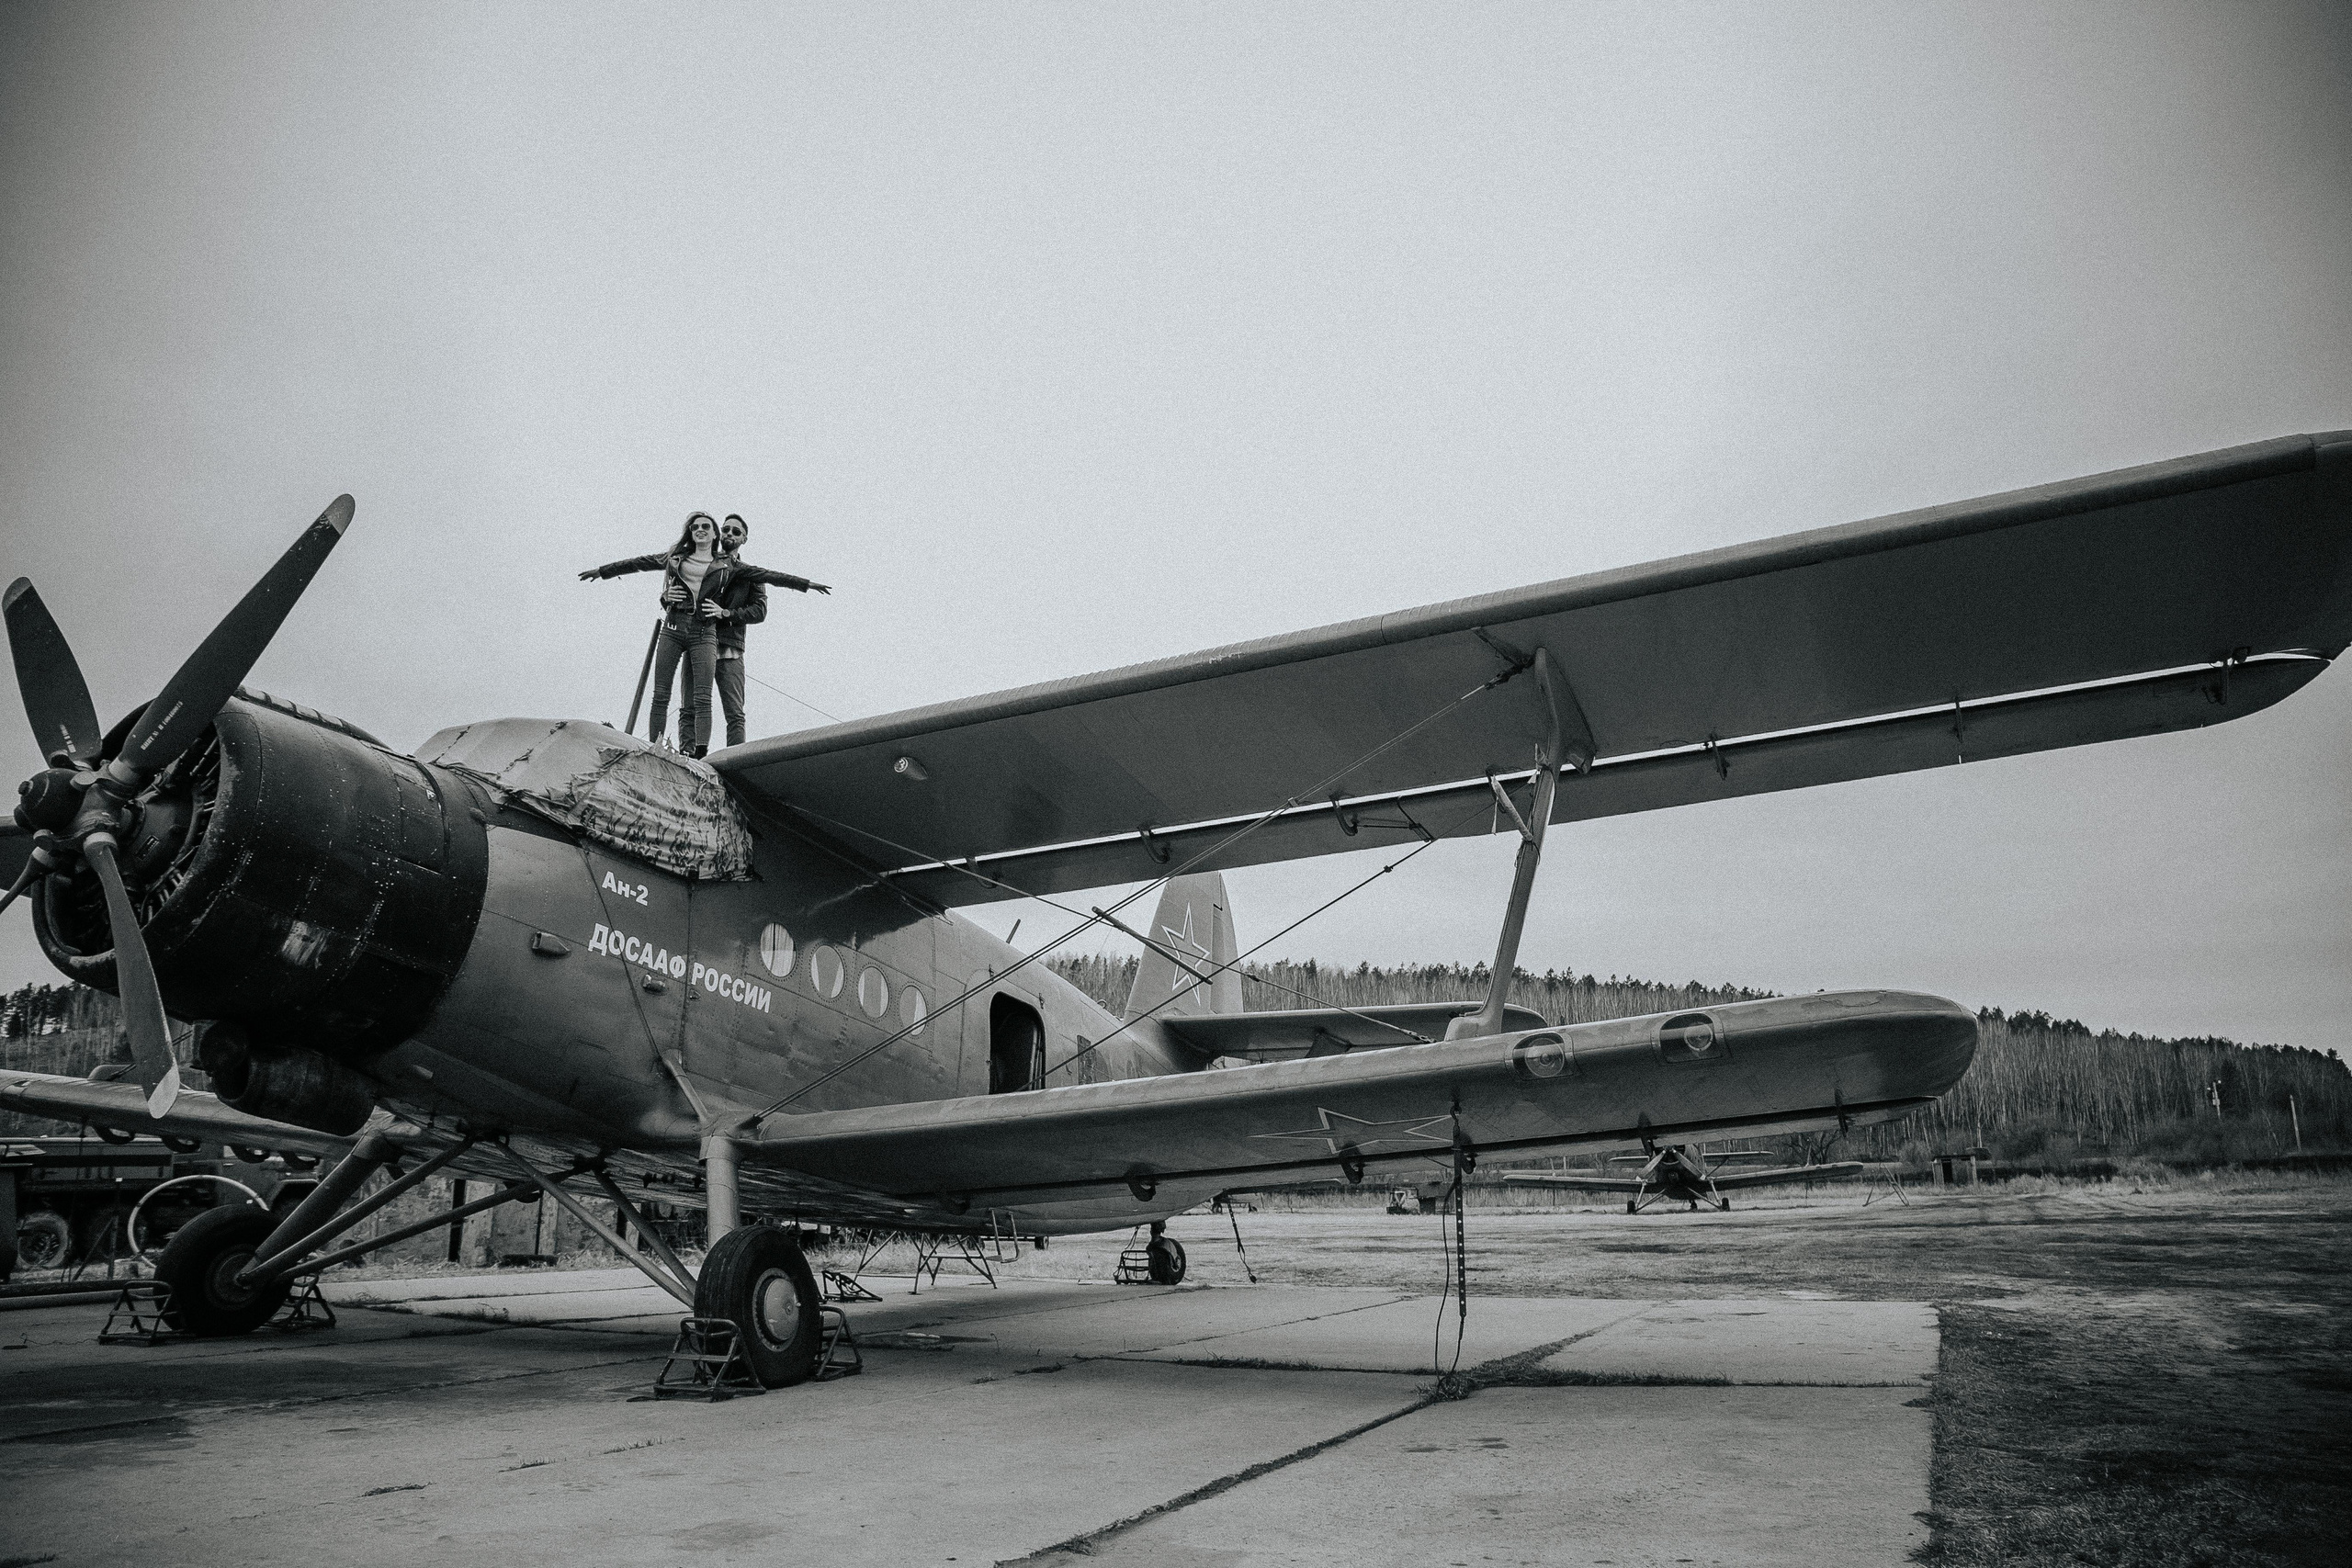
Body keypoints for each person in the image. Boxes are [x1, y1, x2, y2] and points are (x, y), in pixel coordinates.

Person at [578, 513, 727, 756]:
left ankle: (701, 753)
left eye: (705, 526)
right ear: (690, 532)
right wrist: (603, 571)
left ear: (714, 533)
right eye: (695, 526)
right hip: (674, 626)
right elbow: (638, 563)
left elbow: (765, 576)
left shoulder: (724, 565)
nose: (700, 529)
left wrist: (805, 584)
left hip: (703, 630)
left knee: (702, 697)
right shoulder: (675, 558)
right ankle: (655, 747)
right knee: (660, 693)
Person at [709, 513, 830, 749]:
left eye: (735, 532)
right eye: (725, 530)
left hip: (730, 648)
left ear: (744, 539)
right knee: (694, 706)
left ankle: (733, 763)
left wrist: (726, 613)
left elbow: (759, 611)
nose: (729, 535)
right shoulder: (705, 564)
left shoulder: (750, 573)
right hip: (700, 642)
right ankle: (690, 758)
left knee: (734, 713)